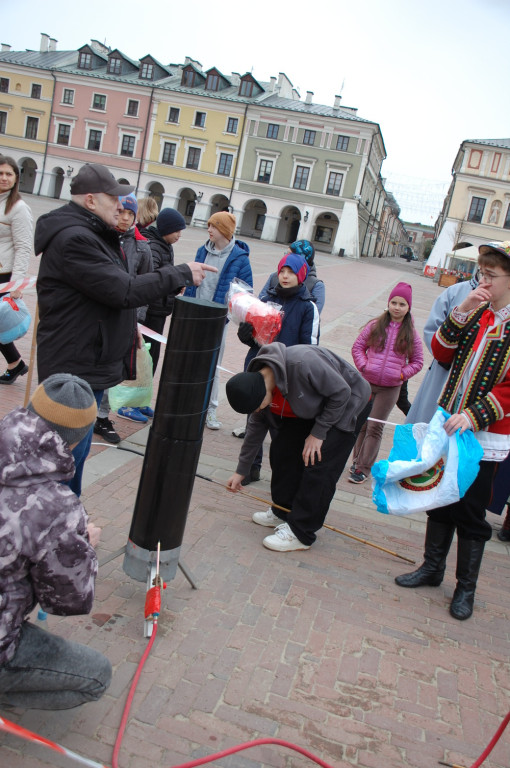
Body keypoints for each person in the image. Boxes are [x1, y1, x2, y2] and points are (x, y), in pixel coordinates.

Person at [35, 163, 216, 496]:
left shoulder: (92, 233)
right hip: (75, 367)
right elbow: (124, 289)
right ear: (90, 201)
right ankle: (56, 528)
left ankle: (62, 522)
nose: (120, 206)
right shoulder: (76, 239)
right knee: (64, 460)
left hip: (87, 360)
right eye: (113, 199)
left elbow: (112, 293)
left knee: (73, 455)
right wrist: (179, 274)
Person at [395, 242, 510, 620]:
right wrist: (461, 311)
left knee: (472, 511)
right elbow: (441, 354)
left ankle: (466, 589)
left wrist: (476, 415)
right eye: (481, 272)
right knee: (439, 497)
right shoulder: (477, 313)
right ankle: (432, 568)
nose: (483, 280)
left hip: (484, 435)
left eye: (491, 275)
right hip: (449, 424)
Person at [0, 373, 112, 709]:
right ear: (77, 440)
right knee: (96, 676)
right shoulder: (57, 508)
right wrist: (84, 546)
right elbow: (68, 601)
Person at [226, 343, 372, 551]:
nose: (258, 411)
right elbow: (254, 432)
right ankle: (282, 511)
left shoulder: (303, 363)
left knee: (319, 463)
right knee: (283, 452)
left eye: (258, 406)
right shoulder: (258, 388)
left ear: (263, 394)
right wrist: (241, 471)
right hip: (313, 408)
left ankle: (301, 531)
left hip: (349, 403)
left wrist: (318, 433)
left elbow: (341, 392)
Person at [237, 252, 320, 485]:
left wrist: (294, 371)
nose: (284, 276)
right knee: (254, 418)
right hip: (259, 367)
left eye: (290, 272)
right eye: (282, 271)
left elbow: (311, 348)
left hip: (286, 375)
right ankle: (251, 468)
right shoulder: (265, 299)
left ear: (301, 275)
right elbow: (257, 336)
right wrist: (247, 336)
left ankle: (284, 477)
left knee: (280, 428)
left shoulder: (307, 307)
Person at [94, 192, 154, 442]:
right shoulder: (99, 238)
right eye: (121, 212)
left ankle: (102, 416)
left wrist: (136, 321)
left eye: (130, 213)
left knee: (112, 369)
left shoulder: (141, 247)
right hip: (96, 315)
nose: (125, 218)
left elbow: (145, 286)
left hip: (124, 318)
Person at [350, 282, 424, 484]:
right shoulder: (375, 325)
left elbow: (418, 362)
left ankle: (364, 469)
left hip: (390, 388)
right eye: (394, 302)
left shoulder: (411, 334)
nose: (397, 307)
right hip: (367, 383)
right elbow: (358, 347)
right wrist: (364, 366)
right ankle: (356, 461)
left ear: (408, 307)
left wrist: (401, 375)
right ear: (388, 303)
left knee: (375, 426)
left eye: (402, 304)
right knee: (362, 423)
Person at [184, 212, 252, 430]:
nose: (209, 230)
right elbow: (192, 281)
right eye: (209, 225)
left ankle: (210, 410)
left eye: (213, 226)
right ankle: (189, 405)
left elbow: (246, 291)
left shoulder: (240, 258)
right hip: (195, 314)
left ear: (224, 229)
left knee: (212, 366)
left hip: (217, 320)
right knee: (190, 362)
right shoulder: (202, 250)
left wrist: (229, 312)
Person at [405, 270, 479, 425]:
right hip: (443, 372)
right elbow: (432, 329)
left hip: (475, 383)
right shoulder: (456, 291)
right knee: (427, 423)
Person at [140, 207, 187, 373]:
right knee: (146, 354)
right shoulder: (154, 247)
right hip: (151, 311)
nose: (179, 235)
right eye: (177, 231)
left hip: (159, 309)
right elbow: (153, 279)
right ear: (166, 229)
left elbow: (165, 275)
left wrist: (174, 286)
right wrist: (174, 283)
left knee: (152, 354)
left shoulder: (166, 245)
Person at [0, 155, 33, 384]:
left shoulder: (19, 208)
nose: (4, 178)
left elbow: (23, 247)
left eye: (8, 174)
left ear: (16, 178)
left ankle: (16, 363)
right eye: (0, 173)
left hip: (5, 276)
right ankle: (16, 363)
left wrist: (18, 284)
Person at [259, 239, 326, 315]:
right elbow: (260, 303)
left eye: (289, 254)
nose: (286, 257)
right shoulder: (274, 276)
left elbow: (314, 315)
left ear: (302, 257)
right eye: (286, 253)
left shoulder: (316, 285)